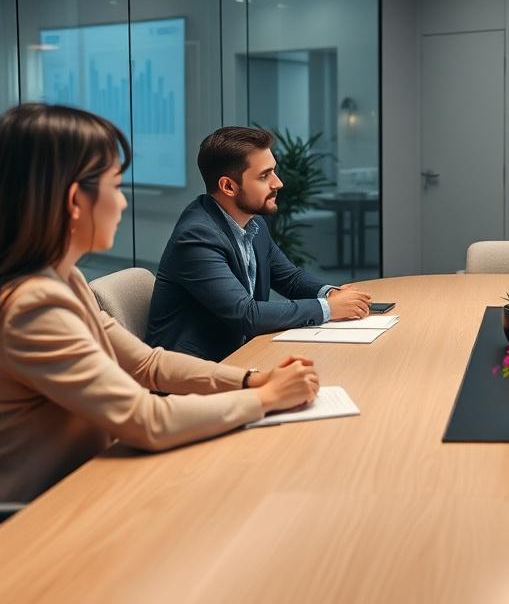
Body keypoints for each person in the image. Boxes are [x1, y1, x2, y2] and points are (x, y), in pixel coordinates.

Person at [0, 104, 320, 504]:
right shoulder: (34, 306)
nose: (123, 203)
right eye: (116, 186)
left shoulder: (65, 280)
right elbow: (145, 420)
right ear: (74, 201)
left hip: (92, 483)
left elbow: (147, 364)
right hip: (44, 516)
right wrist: (267, 399)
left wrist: (251, 380)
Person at [146, 126, 371, 362]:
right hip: (192, 375)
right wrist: (329, 308)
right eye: (265, 176)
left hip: (238, 357)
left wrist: (333, 293)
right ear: (228, 186)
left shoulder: (254, 224)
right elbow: (246, 315)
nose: (278, 183)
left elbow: (289, 278)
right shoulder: (196, 237)